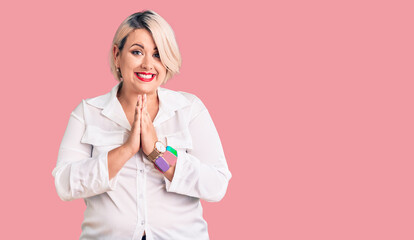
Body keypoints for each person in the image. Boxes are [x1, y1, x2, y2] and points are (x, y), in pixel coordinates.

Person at [52, 10, 232, 240]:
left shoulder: (189, 109)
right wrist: (126, 150)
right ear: (117, 55)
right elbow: (64, 184)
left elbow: (216, 184)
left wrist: (158, 152)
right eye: (137, 52)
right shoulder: (87, 113)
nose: (148, 64)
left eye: (158, 55)